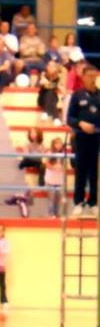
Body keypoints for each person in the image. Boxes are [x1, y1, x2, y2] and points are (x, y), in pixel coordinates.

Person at [67, 65, 100, 217]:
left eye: (95, 76)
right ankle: (78, 202)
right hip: (80, 139)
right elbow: (69, 118)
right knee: (80, 171)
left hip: (97, 139)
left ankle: (93, 202)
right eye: (89, 76)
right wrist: (80, 124)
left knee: (95, 172)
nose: (92, 79)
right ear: (83, 77)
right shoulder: (77, 95)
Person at [45, 137, 66, 218]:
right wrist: (54, 168)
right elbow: (46, 164)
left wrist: (61, 168)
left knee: (58, 198)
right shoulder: (50, 153)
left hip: (59, 180)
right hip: (50, 179)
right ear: (53, 144)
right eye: (57, 143)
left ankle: (56, 214)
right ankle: (51, 214)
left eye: (60, 143)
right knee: (51, 198)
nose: (59, 145)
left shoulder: (63, 154)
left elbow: (65, 166)